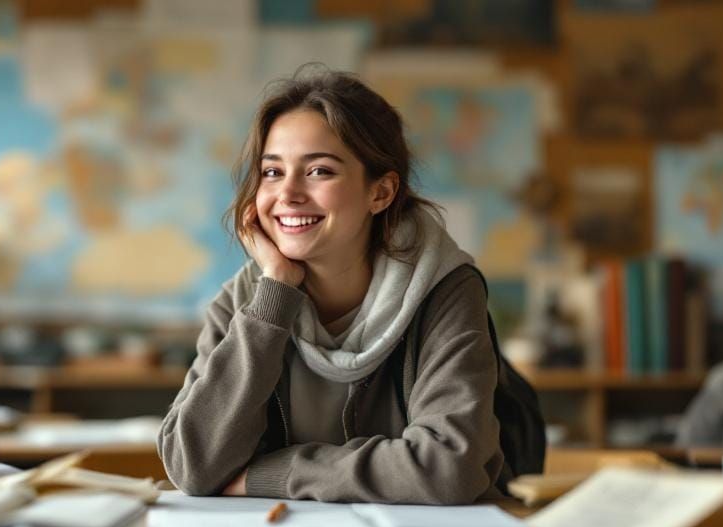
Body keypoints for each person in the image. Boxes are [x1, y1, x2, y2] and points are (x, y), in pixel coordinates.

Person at [157, 67, 505, 504]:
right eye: (271, 172)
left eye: (319, 171)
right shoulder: (245, 301)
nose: (288, 194)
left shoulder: (445, 290)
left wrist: (272, 474)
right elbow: (192, 466)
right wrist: (276, 294)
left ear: (380, 193)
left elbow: (451, 466)